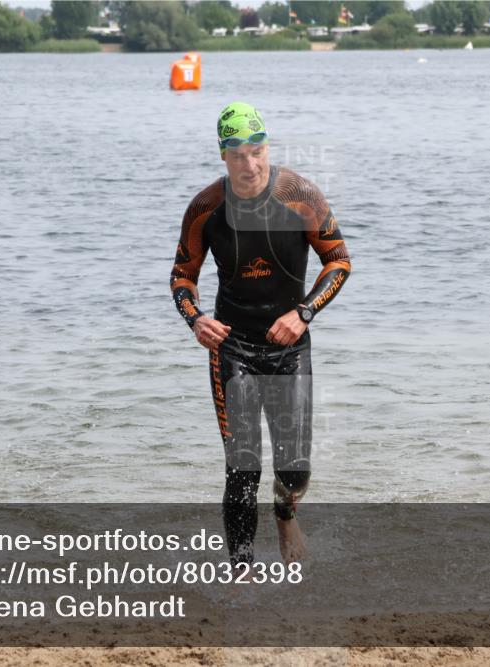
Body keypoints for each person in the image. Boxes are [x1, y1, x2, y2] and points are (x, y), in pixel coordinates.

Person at [170, 102, 351, 566]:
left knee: (295, 474)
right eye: (237, 155)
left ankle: (285, 513)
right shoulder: (206, 208)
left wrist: (304, 313)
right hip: (232, 348)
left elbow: (338, 261)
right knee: (242, 468)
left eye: (257, 151)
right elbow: (182, 276)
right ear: (223, 156)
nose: (249, 165)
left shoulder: (300, 195)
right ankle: (242, 573)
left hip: (289, 346)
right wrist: (196, 319)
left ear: (267, 147)